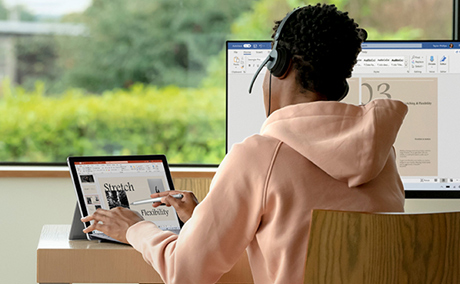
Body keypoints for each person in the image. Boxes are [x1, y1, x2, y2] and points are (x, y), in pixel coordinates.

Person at [82, 4, 408, 283]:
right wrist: (203, 221)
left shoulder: (259, 157)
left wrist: (134, 229)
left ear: (280, 64)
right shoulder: (383, 156)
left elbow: (186, 272)